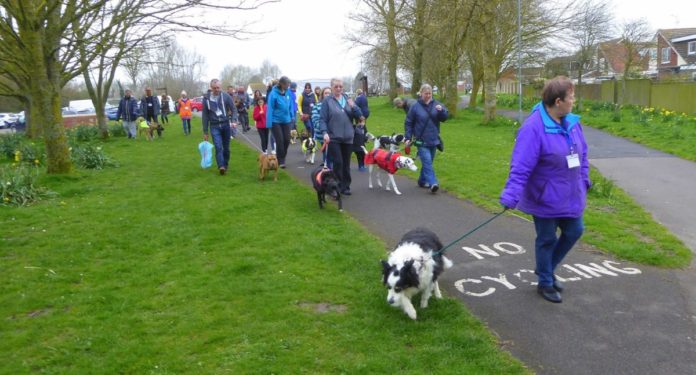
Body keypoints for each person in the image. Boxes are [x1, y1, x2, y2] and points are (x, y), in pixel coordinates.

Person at [499, 76, 590, 304]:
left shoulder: (572, 122)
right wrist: (511, 194)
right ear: (558, 101)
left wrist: (584, 179)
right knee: (547, 239)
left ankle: (545, 269)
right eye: (571, 97)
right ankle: (546, 282)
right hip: (545, 196)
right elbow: (520, 165)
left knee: (575, 230)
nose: (574, 101)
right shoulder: (533, 128)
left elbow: (583, 154)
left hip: (571, 194)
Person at [319, 78, 363, 195]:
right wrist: (324, 132)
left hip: (348, 137)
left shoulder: (348, 99)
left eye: (340, 86)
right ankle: (337, 186)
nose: (338, 89)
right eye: (336, 86)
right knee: (338, 162)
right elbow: (322, 119)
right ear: (332, 87)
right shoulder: (327, 101)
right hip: (334, 137)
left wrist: (353, 106)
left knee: (346, 163)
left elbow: (360, 115)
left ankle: (346, 186)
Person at [404, 84, 448, 194]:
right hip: (421, 140)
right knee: (427, 161)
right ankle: (433, 183)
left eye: (430, 94)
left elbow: (444, 119)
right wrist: (408, 137)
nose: (428, 96)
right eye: (426, 94)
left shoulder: (437, 104)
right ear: (421, 93)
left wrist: (442, 111)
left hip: (433, 139)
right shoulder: (415, 106)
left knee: (428, 162)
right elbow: (408, 122)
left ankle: (422, 181)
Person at [202, 78, 238, 175]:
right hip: (214, 126)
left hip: (226, 125)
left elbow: (234, 109)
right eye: (215, 88)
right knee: (218, 146)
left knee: (226, 148)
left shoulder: (226, 96)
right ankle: (221, 166)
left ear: (220, 87)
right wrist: (205, 131)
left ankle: (225, 164)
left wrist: (234, 120)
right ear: (211, 88)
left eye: (218, 87)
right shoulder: (206, 99)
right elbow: (205, 116)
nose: (217, 89)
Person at [266, 76, 293, 168]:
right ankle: (281, 161)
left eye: (289, 84)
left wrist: (292, 116)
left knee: (287, 140)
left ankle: (280, 157)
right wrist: (269, 123)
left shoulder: (288, 92)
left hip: (286, 120)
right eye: (287, 84)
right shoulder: (273, 94)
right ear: (281, 84)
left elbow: (291, 105)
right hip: (275, 121)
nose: (288, 86)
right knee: (280, 141)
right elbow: (270, 108)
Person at [312, 87, 331, 164]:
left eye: (329, 93)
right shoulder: (317, 106)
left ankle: (328, 164)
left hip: (334, 133)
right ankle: (326, 164)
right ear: (322, 95)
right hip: (322, 133)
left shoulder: (336, 105)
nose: (328, 95)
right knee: (325, 149)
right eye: (326, 93)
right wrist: (323, 129)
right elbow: (315, 119)